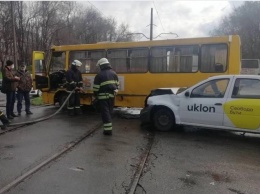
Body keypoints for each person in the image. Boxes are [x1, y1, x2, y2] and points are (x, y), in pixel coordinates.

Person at [94, 58, 119, 136]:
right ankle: (108, 129)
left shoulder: (99, 75)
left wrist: (95, 96)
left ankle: (108, 131)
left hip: (102, 98)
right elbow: (117, 85)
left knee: (105, 114)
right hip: (111, 97)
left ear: (101, 66)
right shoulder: (114, 74)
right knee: (109, 112)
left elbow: (96, 89)